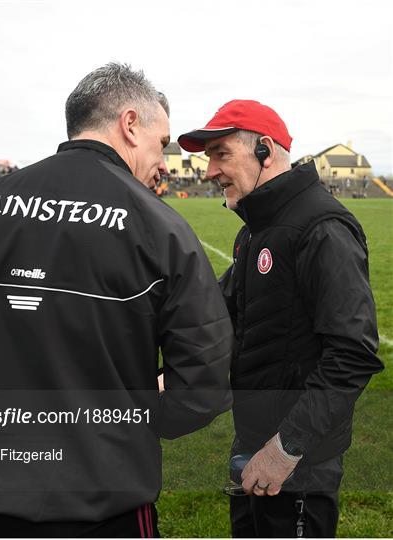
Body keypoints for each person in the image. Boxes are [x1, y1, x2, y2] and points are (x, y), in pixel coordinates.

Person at [0, 64, 233, 538]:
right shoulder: (159, 227)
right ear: (129, 124)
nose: (164, 162)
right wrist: (131, 428)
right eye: (160, 143)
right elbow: (203, 379)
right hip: (101, 506)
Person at [178, 99, 383, 538]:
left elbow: (352, 353)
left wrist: (287, 447)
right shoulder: (254, 229)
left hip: (298, 463)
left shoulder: (322, 228)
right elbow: (220, 317)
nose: (208, 171)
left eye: (220, 154)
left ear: (265, 151)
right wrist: (169, 373)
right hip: (253, 445)